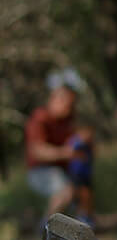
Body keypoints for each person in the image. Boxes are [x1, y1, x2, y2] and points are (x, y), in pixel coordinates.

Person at [24, 85, 79, 218]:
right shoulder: (40, 118)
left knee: (76, 194)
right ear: (56, 100)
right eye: (68, 105)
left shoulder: (66, 120)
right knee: (65, 192)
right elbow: (37, 151)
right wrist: (63, 153)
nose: (70, 109)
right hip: (40, 172)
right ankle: (47, 230)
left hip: (63, 172)